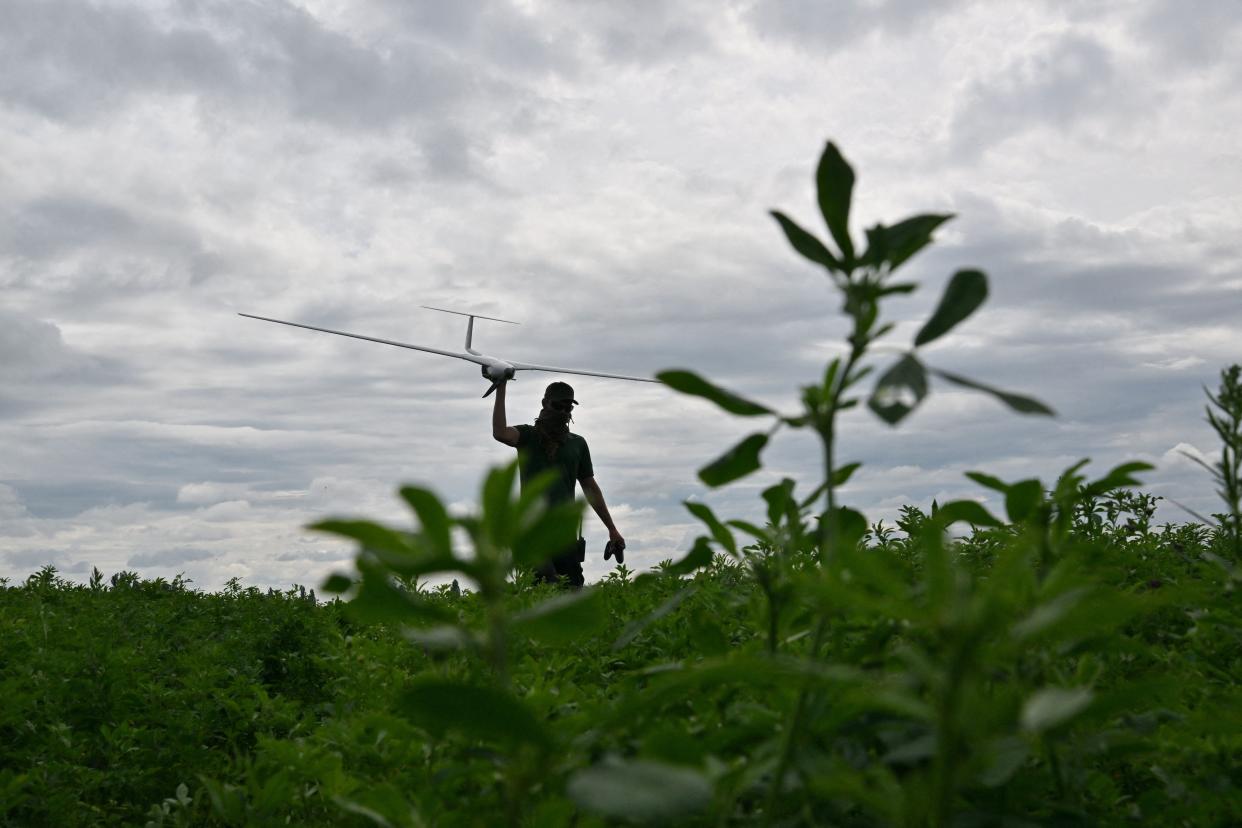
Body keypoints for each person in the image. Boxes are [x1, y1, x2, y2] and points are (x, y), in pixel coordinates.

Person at [492, 379, 625, 587]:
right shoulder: (529, 436)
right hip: (532, 532)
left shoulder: (577, 443)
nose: (563, 411)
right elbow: (500, 432)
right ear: (545, 403)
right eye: (558, 406)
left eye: (568, 407)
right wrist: (501, 386)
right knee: (545, 588)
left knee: (573, 592)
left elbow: (590, 487)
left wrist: (612, 529)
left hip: (565, 534)